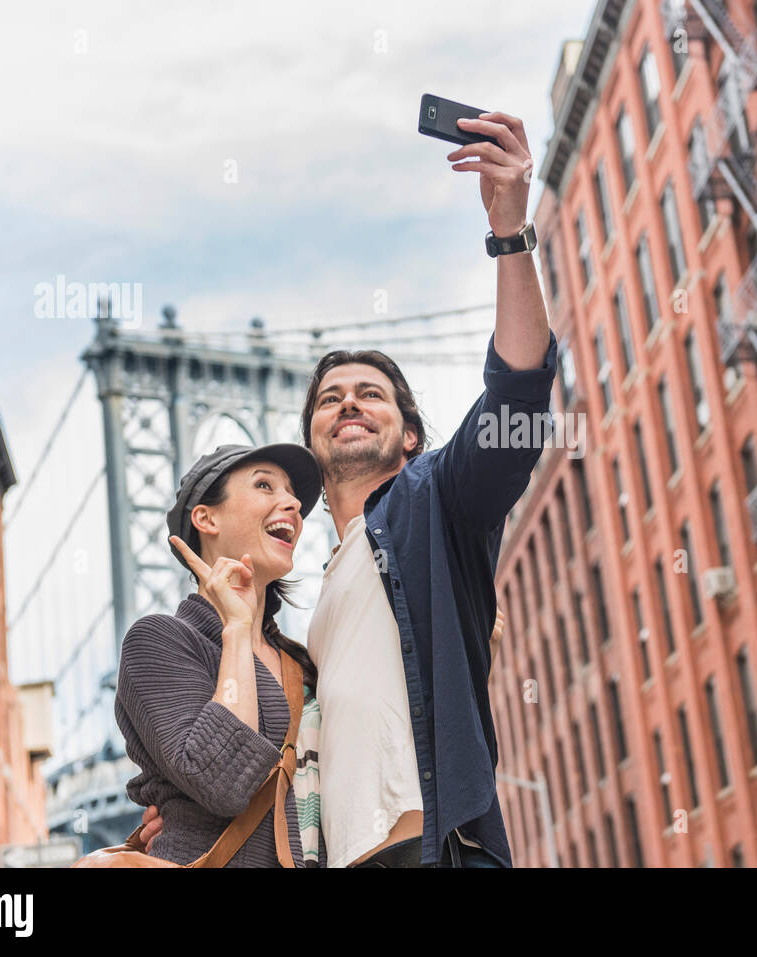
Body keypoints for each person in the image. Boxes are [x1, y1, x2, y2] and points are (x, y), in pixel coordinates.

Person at [143, 107, 551, 868]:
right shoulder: (313, 607)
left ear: (411, 438)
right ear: (316, 440)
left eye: (372, 394)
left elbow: (518, 404)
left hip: (430, 850)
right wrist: (180, 815)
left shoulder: (436, 506)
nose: (350, 403)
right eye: (331, 398)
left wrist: (510, 233)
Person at [114, 443, 323, 867]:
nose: (294, 503)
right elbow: (223, 780)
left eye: (292, 495)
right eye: (264, 485)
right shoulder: (158, 641)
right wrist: (236, 628)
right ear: (206, 518)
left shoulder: (301, 664)